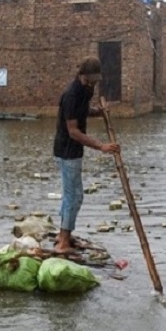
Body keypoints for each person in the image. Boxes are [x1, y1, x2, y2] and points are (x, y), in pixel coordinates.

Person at [53, 57, 120, 254]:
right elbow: (73, 131)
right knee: (75, 196)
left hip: (74, 151)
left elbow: (81, 112)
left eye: (94, 81)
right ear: (81, 75)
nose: (91, 85)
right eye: (88, 80)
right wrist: (102, 146)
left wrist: (97, 112)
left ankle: (63, 233)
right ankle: (63, 241)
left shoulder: (86, 90)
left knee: (70, 195)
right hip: (66, 151)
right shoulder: (71, 94)